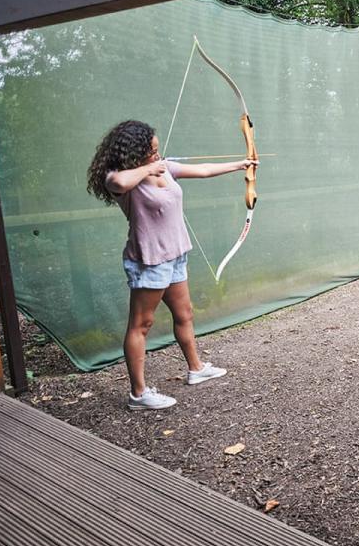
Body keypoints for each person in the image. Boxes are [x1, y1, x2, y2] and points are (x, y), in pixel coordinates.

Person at [87, 120, 257, 410]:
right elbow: (117, 182)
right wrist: (149, 168)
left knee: (185, 313)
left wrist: (242, 164)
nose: (157, 154)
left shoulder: (165, 168)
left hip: (176, 254)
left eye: (157, 149)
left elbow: (203, 171)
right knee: (142, 324)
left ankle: (196, 368)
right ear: (134, 151)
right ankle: (138, 394)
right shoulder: (120, 179)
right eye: (150, 150)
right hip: (149, 260)